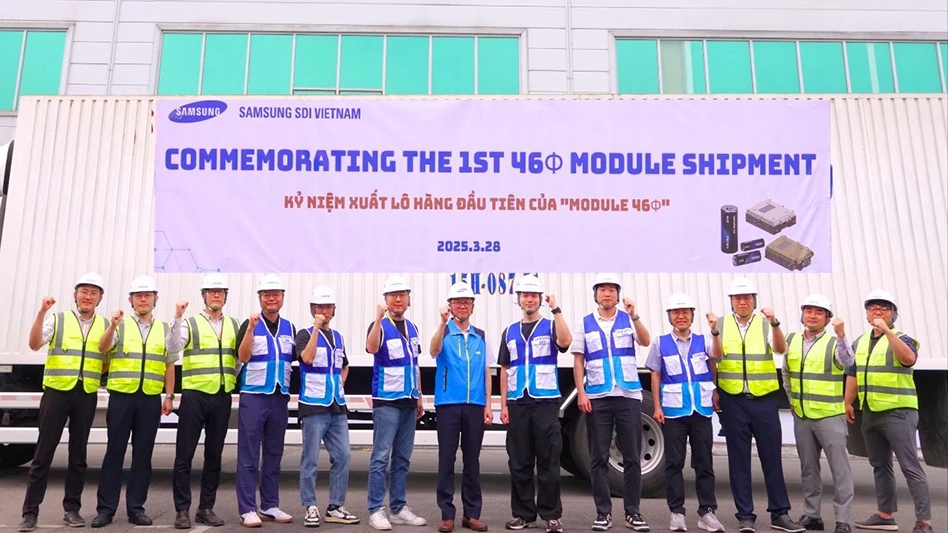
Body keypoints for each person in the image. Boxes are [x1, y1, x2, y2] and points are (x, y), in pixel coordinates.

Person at [709, 277, 803, 533]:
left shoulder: (765, 324)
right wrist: (716, 389)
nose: (742, 301)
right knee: (738, 460)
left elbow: (781, 349)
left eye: (747, 297)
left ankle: (780, 514)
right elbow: (715, 357)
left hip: (764, 399)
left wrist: (775, 323)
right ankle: (745, 516)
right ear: (731, 301)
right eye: (738, 298)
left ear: (754, 300)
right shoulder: (719, 323)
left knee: (772, 457)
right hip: (733, 398)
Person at [19, 273, 110, 533]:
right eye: (83, 291)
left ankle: (72, 509)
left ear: (99, 299)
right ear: (75, 295)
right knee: (43, 454)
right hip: (57, 392)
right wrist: (41, 312)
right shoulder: (58, 319)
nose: (88, 296)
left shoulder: (104, 324)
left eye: (93, 292)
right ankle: (29, 512)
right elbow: (35, 344)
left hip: (86, 394)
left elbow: (105, 359)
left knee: (78, 456)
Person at [92, 275, 185, 527]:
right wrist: (112, 325)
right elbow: (102, 348)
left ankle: (136, 509)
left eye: (148, 295)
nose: (143, 299)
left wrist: (169, 396)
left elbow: (170, 364)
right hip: (122, 396)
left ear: (155, 299)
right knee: (114, 453)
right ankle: (105, 509)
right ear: (130, 300)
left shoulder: (165, 329)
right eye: (138, 296)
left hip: (150, 399)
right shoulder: (120, 326)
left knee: (143, 455)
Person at [571, 273, 652, 532]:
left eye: (612, 290)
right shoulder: (585, 323)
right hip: (598, 397)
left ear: (618, 295)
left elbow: (646, 341)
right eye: (602, 290)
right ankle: (603, 513)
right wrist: (581, 393)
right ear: (595, 295)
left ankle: (633, 513)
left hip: (628, 395)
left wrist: (635, 314)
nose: (607, 294)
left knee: (632, 457)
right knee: (598, 457)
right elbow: (578, 360)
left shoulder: (629, 319)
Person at [846, 290, 933, 533]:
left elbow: (908, 359)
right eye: (872, 307)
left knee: (909, 466)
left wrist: (886, 331)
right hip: (871, 412)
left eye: (884, 308)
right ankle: (885, 515)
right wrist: (847, 402)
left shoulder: (903, 338)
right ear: (866, 314)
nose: (877, 311)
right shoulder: (859, 342)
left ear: (894, 313)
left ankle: (924, 522)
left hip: (899, 413)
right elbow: (853, 373)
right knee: (880, 466)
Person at [498, 275, 572, 533]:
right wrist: (504, 405)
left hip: (545, 402)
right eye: (525, 295)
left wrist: (557, 309)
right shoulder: (509, 332)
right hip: (518, 403)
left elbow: (565, 342)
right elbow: (505, 370)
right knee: (519, 462)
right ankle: (523, 514)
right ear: (518, 299)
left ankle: (552, 515)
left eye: (533, 295)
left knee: (549, 460)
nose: (529, 299)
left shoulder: (551, 325)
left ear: (539, 299)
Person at [646, 292, 724, 533]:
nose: (681, 316)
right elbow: (655, 375)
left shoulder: (704, 340)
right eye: (676, 313)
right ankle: (677, 512)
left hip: (700, 409)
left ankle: (707, 512)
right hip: (673, 411)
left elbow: (717, 358)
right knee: (674, 463)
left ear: (692, 316)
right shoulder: (660, 342)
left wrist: (715, 331)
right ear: (670, 316)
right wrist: (657, 406)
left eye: (685, 312)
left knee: (704, 463)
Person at [781, 294, 855, 533]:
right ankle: (812, 516)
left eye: (819, 312)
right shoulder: (791, 339)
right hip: (802, 415)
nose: (812, 315)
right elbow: (787, 373)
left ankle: (843, 520)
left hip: (830, 416)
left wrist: (842, 335)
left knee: (839, 470)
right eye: (809, 311)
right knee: (809, 469)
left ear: (827, 318)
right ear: (802, 314)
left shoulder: (834, 343)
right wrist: (792, 400)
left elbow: (846, 362)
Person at [172, 273, 239, 529]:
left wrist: (230, 377)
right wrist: (177, 318)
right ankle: (182, 510)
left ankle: (206, 508)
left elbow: (239, 358)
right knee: (184, 455)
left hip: (221, 396)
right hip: (194, 396)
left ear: (225, 296)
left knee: (214, 456)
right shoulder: (190, 323)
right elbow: (173, 348)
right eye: (211, 291)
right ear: (204, 295)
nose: (216, 294)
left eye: (220, 291)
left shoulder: (233, 324)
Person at [429, 282, 493, 533]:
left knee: (472, 461)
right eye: (457, 302)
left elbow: (488, 371)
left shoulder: (481, 335)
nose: (462, 305)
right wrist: (441, 324)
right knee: (446, 459)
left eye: (466, 301)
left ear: (472, 306)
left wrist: (488, 404)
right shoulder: (444, 332)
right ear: (450, 306)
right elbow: (434, 351)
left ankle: (472, 514)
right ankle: (447, 513)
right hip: (448, 404)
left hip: (475, 405)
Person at [365, 275, 427, 530]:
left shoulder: (412, 328)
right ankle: (375, 510)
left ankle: (399, 507)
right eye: (393, 295)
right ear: (386, 300)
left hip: (409, 402)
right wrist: (378, 319)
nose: (398, 299)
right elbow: (370, 348)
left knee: (403, 458)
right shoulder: (379, 324)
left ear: (408, 299)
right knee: (380, 457)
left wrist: (420, 395)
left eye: (402, 294)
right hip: (387, 402)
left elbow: (415, 364)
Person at [235, 274, 297, 527]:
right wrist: (250, 328)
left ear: (282, 297)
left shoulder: (289, 327)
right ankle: (247, 508)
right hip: (253, 396)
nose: (271, 298)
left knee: (274, 453)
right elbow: (242, 355)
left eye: (276, 294)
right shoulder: (248, 324)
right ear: (260, 298)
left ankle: (270, 505)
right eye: (266, 294)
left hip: (278, 398)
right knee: (248, 454)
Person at [297, 285, 360, 527]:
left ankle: (335, 506)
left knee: (343, 455)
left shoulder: (339, 337)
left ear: (334, 309)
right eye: (320, 307)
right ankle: (310, 506)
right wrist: (315, 328)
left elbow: (344, 365)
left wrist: (340, 384)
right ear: (312, 309)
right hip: (313, 406)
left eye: (328, 307)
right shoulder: (304, 334)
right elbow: (308, 358)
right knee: (310, 458)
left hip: (336, 406)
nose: (324, 311)